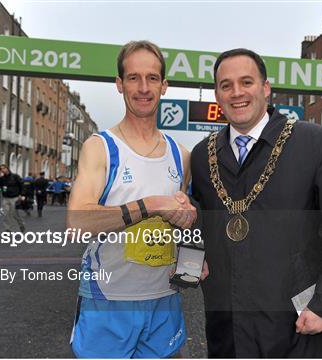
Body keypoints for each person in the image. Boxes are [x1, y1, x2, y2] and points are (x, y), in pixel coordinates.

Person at [191, 48, 322, 357]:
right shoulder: (203, 156)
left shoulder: (312, 141)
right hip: (228, 328)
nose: (237, 93)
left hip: (298, 327)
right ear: (216, 93)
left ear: (266, 88)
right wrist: (188, 265)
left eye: (246, 82)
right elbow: (195, 221)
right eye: (226, 85)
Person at [67, 40, 206, 358]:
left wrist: (191, 253)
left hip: (164, 302)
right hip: (108, 301)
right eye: (133, 78)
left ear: (164, 85)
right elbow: (78, 220)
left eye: (152, 78)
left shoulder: (180, 154)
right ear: (119, 84)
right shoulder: (100, 147)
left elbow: (184, 226)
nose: (143, 88)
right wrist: (150, 206)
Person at [0, 164, 25, 232]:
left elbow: (22, 185)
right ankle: (7, 228)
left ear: (7, 168)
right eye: (1, 169)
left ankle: (21, 224)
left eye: (4, 168)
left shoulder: (15, 176)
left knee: (14, 214)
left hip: (14, 198)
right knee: (6, 214)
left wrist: (22, 194)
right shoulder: (2, 179)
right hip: (5, 198)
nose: (3, 170)